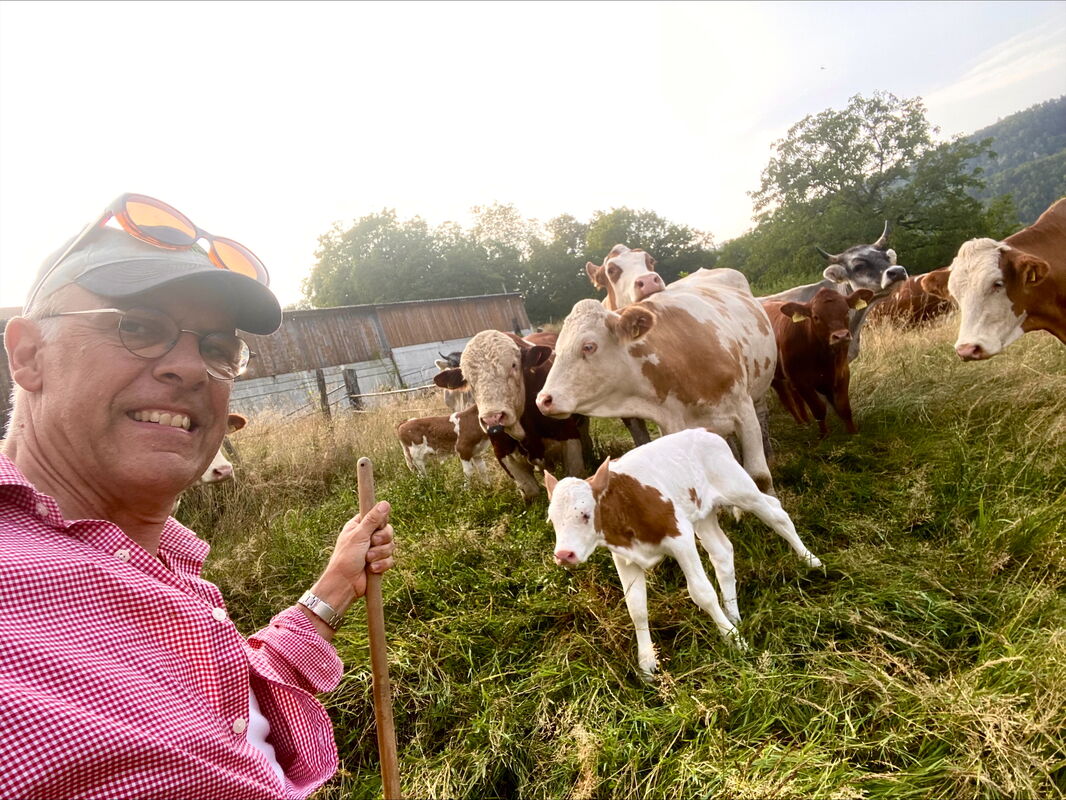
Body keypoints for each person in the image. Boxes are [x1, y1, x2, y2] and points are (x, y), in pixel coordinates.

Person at [0, 193, 396, 799]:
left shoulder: (156, 559)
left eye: (217, 348)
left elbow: (223, 702)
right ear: (29, 355)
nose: (189, 367)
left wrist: (334, 587)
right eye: (137, 326)